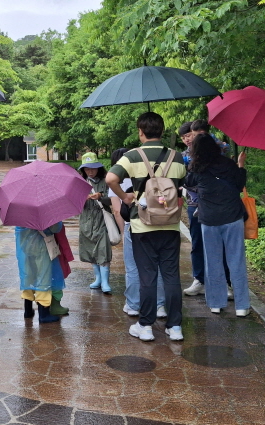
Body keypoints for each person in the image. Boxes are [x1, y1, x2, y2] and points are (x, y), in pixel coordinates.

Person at [107, 112, 186, 342]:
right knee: (171, 276)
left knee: (147, 276)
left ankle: (146, 326)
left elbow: (111, 178)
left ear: (140, 131)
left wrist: (126, 197)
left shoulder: (132, 156)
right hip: (170, 225)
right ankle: (175, 327)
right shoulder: (178, 157)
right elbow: (180, 187)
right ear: (162, 131)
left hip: (143, 226)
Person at [185, 133, 250, 316]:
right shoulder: (228, 165)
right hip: (233, 218)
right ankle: (242, 306)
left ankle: (216, 303)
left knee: (213, 261)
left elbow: (187, 182)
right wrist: (240, 165)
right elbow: (239, 185)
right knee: (236, 261)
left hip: (209, 220)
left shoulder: (196, 168)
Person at [109, 148, 167, 318]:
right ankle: (160, 305)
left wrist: (122, 232)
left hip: (132, 226)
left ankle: (134, 304)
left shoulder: (116, 184)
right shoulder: (144, 176)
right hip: (155, 223)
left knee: (133, 266)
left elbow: (118, 212)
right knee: (157, 265)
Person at [180, 122, 233, 299]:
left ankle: (225, 282)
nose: (188, 139)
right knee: (197, 243)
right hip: (195, 205)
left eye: (190, 135)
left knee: (221, 245)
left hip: (218, 205)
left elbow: (226, 153)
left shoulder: (218, 148)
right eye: (185, 137)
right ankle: (199, 280)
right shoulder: (184, 155)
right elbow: (185, 179)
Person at [17, 221, 73, 323]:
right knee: (44, 278)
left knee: (28, 276)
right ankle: (43, 314)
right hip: (41, 247)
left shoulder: (21, 210)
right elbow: (56, 228)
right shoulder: (45, 211)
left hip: (25, 247)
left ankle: (28, 310)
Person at [78, 152, 113, 294]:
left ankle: (105, 281)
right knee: (91, 250)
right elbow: (73, 203)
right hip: (86, 221)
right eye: (87, 169)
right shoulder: (80, 182)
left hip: (102, 219)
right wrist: (82, 198)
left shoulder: (107, 181)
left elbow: (113, 199)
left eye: (92, 168)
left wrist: (101, 196)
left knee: (103, 249)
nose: (90, 171)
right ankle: (97, 278)